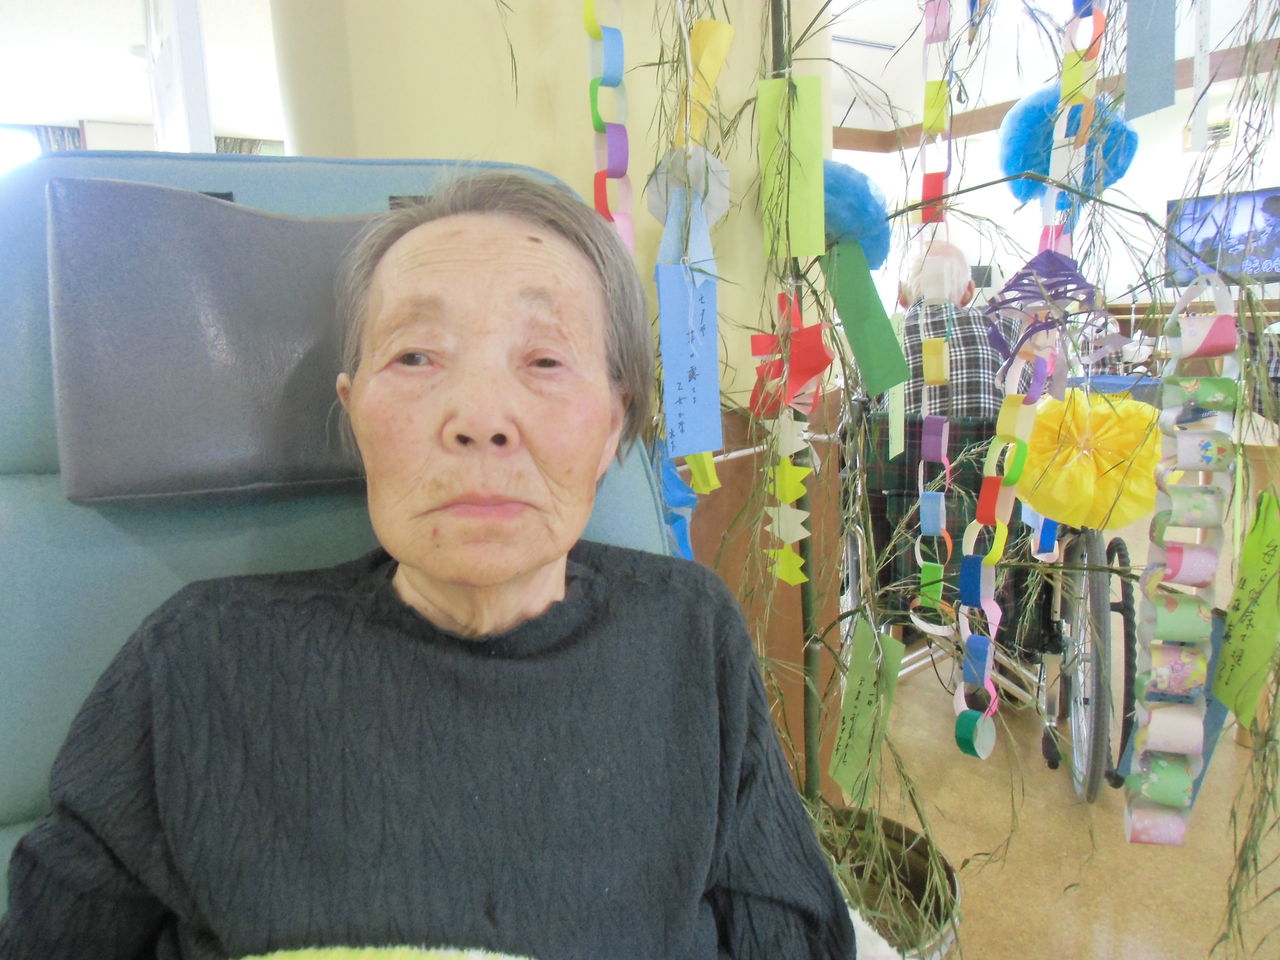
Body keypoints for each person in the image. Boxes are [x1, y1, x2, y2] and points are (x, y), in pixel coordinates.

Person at [0, 174, 855, 959]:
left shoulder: (689, 637)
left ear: (611, 428)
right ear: (354, 414)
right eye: (415, 356)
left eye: (544, 360)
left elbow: (794, 937)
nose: (480, 417)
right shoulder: (197, 662)